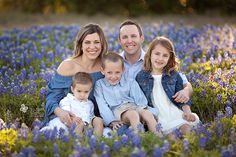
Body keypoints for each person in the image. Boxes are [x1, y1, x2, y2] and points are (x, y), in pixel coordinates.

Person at [42, 23, 107, 136]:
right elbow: (51, 98)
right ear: (80, 45)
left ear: (102, 44)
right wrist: (60, 112)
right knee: (59, 134)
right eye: (87, 42)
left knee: (107, 136)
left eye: (96, 42)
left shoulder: (106, 67)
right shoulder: (68, 66)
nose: (92, 47)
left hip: (92, 120)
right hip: (68, 118)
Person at [118, 20, 193, 104]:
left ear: (141, 38)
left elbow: (185, 83)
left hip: (150, 111)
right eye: (125, 37)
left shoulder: (155, 60)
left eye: (133, 36)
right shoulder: (114, 62)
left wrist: (186, 91)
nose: (129, 40)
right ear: (119, 41)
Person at [136, 36, 199, 135]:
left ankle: (192, 148)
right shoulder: (141, 76)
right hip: (157, 117)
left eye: (165, 55)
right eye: (157, 54)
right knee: (172, 138)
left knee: (186, 128)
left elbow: (182, 96)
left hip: (174, 112)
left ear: (170, 58)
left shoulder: (173, 75)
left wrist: (187, 111)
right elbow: (139, 100)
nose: (160, 58)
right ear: (150, 54)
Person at [94, 52, 160, 135]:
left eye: (117, 72)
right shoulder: (99, 85)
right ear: (102, 71)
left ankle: (159, 138)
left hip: (134, 106)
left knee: (148, 114)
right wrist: (111, 121)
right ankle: (139, 137)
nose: (113, 76)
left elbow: (139, 98)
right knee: (132, 114)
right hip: (118, 111)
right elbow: (102, 106)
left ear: (123, 70)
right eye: (109, 72)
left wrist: (143, 110)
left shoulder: (130, 81)